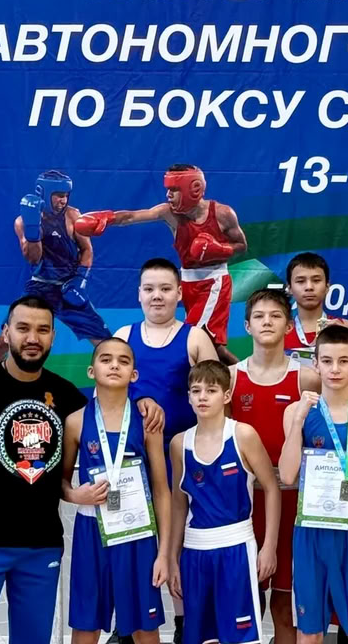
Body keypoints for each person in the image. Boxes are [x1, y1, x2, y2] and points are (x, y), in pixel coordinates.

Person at [0, 296, 162, 644]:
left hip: (41, 547)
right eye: (23, 328)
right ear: (6, 332)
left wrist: (143, 399)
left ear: (53, 336)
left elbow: (112, 402)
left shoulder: (66, 396)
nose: (32, 338)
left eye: (42, 330)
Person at [117, 257, 218, 644]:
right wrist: (138, 403)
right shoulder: (124, 336)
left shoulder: (194, 338)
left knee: (179, 546)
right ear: (139, 294)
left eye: (164, 289)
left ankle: (184, 625)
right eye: (149, 289)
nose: (156, 296)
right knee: (134, 544)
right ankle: (130, 626)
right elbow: (108, 396)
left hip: (184, 464)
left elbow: (216, 400)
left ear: (179, 293)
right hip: (133, 465)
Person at [278, 325, 348, 644]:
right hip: (311, 526)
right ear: (315, 363)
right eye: (327, 361)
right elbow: (287, 475)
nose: (335, 369)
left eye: (343, 361)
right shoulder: (297, 411)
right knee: (309, 632)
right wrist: (298, 420)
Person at [75, 163, 248, 364]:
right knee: (211, 347)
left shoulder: (222, 214)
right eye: (168, 189)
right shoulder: (170, 213)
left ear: (193, 188)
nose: (168, 195)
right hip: (188, 283)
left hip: (214, 282)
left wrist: (218, 249)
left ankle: (238, 377)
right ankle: (241, 374)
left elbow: (241, 245)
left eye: (174, 190)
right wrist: (108, 218)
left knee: (198, 341)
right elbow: (133, 216)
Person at [62, 338, 172, 644]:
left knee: (144, 627)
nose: (114, 365)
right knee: (86, 624)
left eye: (123, 361)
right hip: (91, 530)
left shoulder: (147, 421)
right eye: (106, 359)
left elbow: (162, 490)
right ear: (91, 371)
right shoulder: (75, 421)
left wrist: (164, 553)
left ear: (134, 374)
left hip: (138, 531)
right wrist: (75, 495)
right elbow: (60, 483)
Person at [230, 288, 321, 644]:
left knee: (286, 607)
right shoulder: (231, 378)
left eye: (276, 316)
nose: (267, 322)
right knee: (245, 603)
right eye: (259, 316)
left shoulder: (307, 378)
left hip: (292, 498)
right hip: (244, 502)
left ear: (289, 326)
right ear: (247, 326)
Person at [169, 361, 282, 644]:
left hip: (236, 548)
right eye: (196, 390)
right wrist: (172, 558)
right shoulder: (179, 444)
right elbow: (179, 504)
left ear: (227, 395)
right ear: (188, 396)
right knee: (199, 637)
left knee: (240, 638)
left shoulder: (243, 435)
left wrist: (269, 546)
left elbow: (271, 488)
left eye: (211, 390)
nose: (203, 397)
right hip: (194, 552)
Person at [0, 169, 111, 366]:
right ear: (44, 193)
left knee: (106, 342)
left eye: (66, 195)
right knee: (5, 338)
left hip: (69, 286)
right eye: (58, 195)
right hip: (40, 287)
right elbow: (33, 258)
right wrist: (33, 229)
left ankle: (131, 383)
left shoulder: (73, 216)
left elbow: (87, 250)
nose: (63, 200)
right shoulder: (22, 221)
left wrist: (80, 280)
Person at [284, 252, 348, 365]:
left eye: (316, 280)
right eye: (300, 281)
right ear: (289, 288)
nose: (309, 287)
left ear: (327, 286)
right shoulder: (279, 332)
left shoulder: (347, 328)